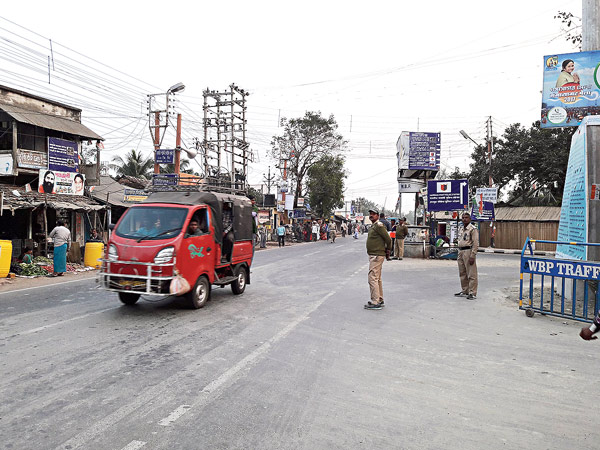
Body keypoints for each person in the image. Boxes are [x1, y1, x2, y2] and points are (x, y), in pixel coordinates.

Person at [364, 209, 392, 310]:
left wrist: (388, 250)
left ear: (378, 216)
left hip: (376, 255)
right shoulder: (373, 226)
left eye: (373, 214)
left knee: (372, 278)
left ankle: (375, 301)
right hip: (374, 254)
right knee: (377, 278)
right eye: (370, 214)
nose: (371, 215)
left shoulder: (379, 226)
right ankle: (379, 299)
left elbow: (388, 239)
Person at [454, 212, 479, 300]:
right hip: (461, 251)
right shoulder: (461, 228)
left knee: (471, 273)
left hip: (468, 251)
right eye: (463, 217)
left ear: (470, 219)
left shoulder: (472, 229)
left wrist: (473, 255)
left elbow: (475, 243)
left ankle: (472, 292)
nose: (464, 219)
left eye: (466, 217)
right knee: (462, 272)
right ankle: (465, 290)